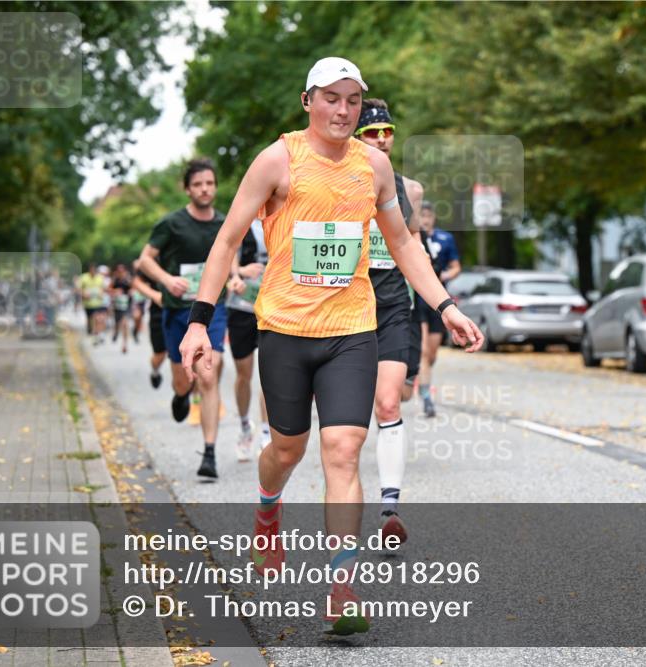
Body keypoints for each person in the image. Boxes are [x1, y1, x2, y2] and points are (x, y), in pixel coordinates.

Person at [178, 57, 483, 636]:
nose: (343, 110)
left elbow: (404, 244)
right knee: (287, 450)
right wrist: (199, 322)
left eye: (351, 100)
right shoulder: (278, 160)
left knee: (342, 450)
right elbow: (226, 240)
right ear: (308, 101)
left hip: (351, 331)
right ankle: (268, 507)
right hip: (287, 332)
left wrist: (447, 306)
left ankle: (341, 587)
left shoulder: (375, 169)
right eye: (331, 99)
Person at [354, 98, 423, 544]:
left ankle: (390, 510)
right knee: (349, 424)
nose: (381, 138)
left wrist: (438, 304)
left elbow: (412, 244)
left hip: (396, 303)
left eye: (387, 131)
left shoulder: (409, 189)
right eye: (371, 132)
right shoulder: (340, 182)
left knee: (389, 404)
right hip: (349, 306)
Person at [138, 158, 229, 479]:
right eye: (198, 184)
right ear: (187, 189)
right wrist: (166, 279)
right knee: (184, 379)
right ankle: (179, 394)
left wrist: (233, 278)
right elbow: (144, 261)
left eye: (209, 183)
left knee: (208, 373)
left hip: (213, 310)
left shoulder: (224, 223)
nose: (205, 189)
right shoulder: (171, 224)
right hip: (177, 310)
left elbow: (228, 261)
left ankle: (209, 453)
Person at [225, 218, 271, 461]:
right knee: (244, 374)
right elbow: (228, 247)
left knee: (269, 372)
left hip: (273, 307)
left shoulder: (285, 213)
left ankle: (266, 434)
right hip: (242, 305)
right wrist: (239, 272)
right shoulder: (244, 218)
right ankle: (245, 427)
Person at [415, 202, 461, 417]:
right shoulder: (411, 237)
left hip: (439, 299)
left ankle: (421, 375)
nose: (425, 219)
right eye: (421, 215)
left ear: (433, 217)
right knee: (423, 351)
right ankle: (426, 399)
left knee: (431, 354)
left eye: (428, 215)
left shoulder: (445, 239)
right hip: (418, 298)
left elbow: (455, 267)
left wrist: (445, 276)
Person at [131, 267, 166, 388]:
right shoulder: (154, 255)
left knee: (191, 356)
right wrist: (155, 295)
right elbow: (136, 281)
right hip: (159, 314)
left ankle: (194, 399)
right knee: (160, 355)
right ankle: (155, 371)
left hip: (187, 312)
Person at [79, 263, 108, 344]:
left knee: (97, 318)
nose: (93, 272)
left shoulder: (100, 278)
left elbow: (104, 289)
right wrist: (83, 294)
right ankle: (92, 331)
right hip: (88, 304)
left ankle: (98, 334)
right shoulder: (84, 277)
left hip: (98, 303)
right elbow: (78, 289)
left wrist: (101, 293)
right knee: (90, 319)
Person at [110, 263, 132, 354]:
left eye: (122, 271)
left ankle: (124, 345)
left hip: (126, 305)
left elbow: (133, 288)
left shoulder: (128, 280)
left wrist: (131, 292)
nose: (121, 272)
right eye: (119, 271)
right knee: (117, 323)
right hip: (117, 305)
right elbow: (108, 289)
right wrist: (115, 292)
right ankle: (115, 332)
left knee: (125, 324)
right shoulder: (115, 280)